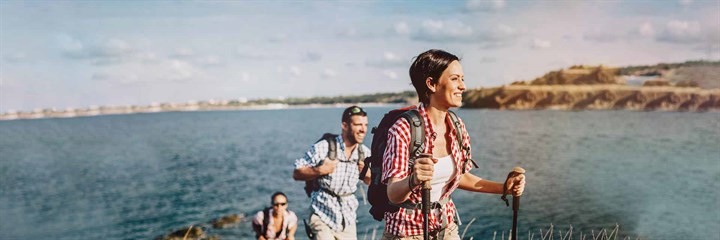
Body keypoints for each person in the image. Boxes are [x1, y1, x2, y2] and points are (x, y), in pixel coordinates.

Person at [381, 49, 526, 239]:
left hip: (446, 227)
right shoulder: (404, 128)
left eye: (462, 79)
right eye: (455, 79)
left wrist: (504, 188)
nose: (463, 86)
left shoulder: (457, 126)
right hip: (406, 233)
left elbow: (460, 177)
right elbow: (393, 194)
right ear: (432, 84)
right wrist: (413, 180)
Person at [293, 106, 372, 240]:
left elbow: (371, 182)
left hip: (347, 219)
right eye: (358, 124)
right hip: (322, 214)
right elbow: (297, 173)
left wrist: (367, 175)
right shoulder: (324, 147)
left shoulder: (364, 152)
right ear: (344, 125)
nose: (363, 130)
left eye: (365, 125)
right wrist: (319, 170)